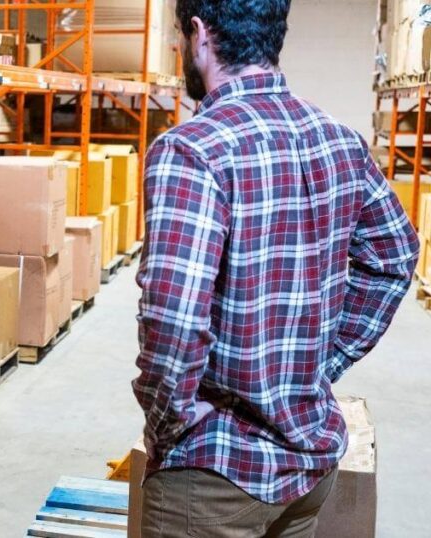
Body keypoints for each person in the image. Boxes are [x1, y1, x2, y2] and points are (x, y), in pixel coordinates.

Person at [134, 1, 420, 536]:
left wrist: (167, 420)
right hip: (309, 462)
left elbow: (172, 315)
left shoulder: (192, 149)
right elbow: (396, 255)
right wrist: (321, 365)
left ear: (198, 34)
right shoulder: (340, 141)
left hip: (217, 472)